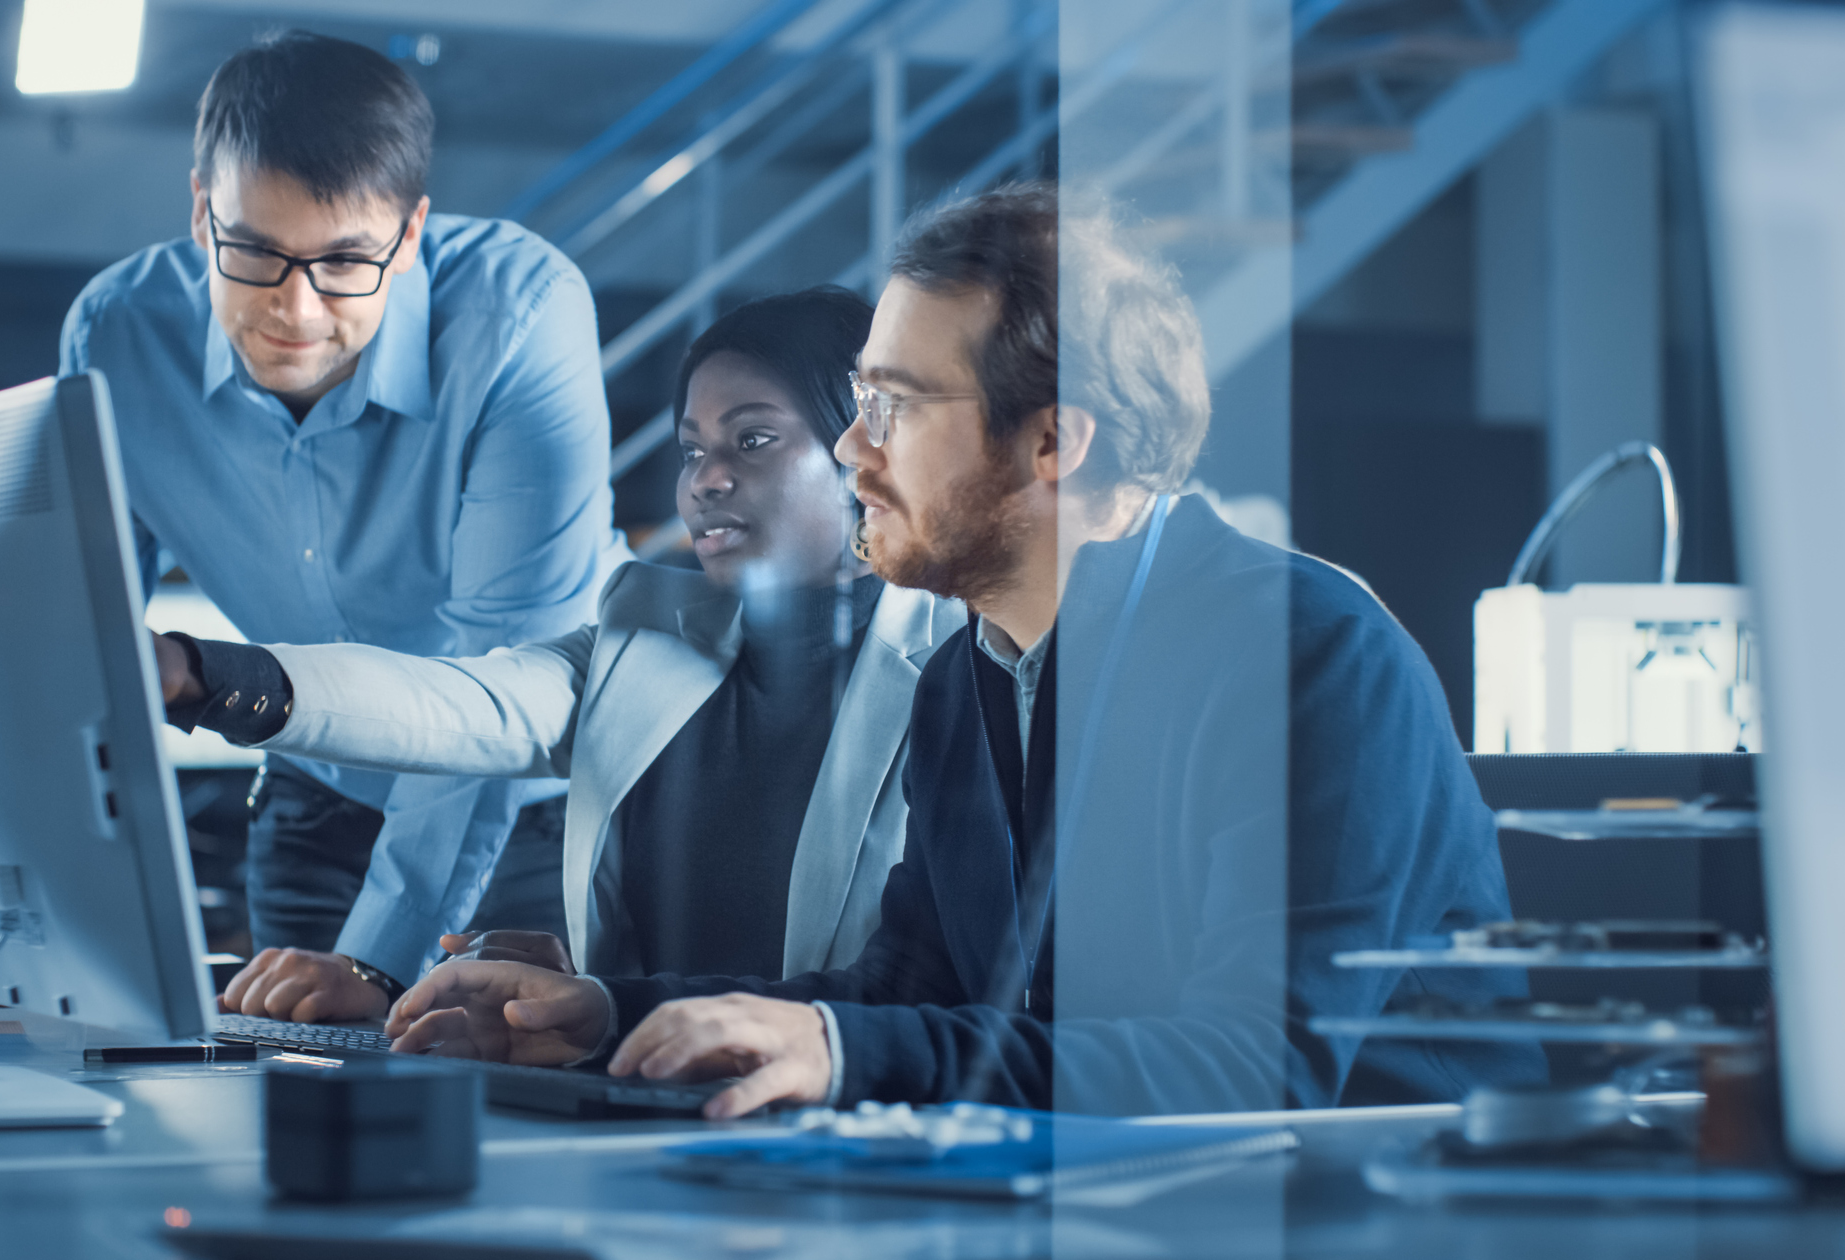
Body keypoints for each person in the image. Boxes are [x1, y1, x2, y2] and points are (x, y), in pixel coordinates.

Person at [379, 183, 1544, 1119]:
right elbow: (909, 994)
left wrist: (845, 1049)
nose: (847, 450)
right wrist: (602, 1017)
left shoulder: (1307, 659)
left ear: (1050, 442)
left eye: (889, 406)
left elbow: (1248, 1072)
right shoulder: (966, 671)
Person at [157, 288, 963, 1018]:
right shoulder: (642, 629)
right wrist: (204, 676)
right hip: (646, 1116)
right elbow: (459, 705)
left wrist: (601, 996)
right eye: (690, 449)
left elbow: (926, 990)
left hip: (854, 1125)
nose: (706, 480)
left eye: (752, 439)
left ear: (863, 453)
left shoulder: (965, 667)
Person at [61, 32, 625, 1020]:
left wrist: (376, 959)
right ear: (201, 210)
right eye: (253, 251)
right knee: (282, 1104)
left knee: (514, 1131)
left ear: (407, 236)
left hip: (535, 807)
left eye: (345, 262)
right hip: (315, 790)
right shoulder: (115, 333)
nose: (296, 307)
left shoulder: (519, 317)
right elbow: (83, 634)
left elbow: (502, 688)